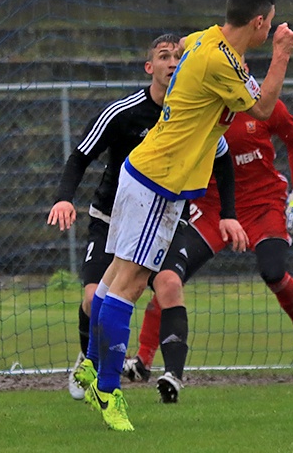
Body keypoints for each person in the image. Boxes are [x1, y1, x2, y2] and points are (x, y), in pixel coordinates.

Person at [73, 0, 293, 432]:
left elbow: (232, 96)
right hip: (161, 182)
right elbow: (261, 107)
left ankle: (91, 367)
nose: (270, 29)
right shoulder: (218, 59)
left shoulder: (203, 40)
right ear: (259, 23)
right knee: (129, 287)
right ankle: (109, 392)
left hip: (146, 171)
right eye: (269, 24)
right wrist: (281, 55)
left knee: (114, 279)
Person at [45, 33, 245, 402]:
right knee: (94, 299)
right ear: (149, 67)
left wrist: (228, 215)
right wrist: (63, 199)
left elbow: (223, 161)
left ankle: (171, 378)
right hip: (112, 220)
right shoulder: (123, 113)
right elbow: (80, 156)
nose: (172, 62)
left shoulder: (194, 113)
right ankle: (92, 361)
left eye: (178, 57)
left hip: (166, 220)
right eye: (164, 56)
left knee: (168, 285)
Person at [122, 98, 293, 400]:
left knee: (273, 273)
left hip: (262, 204)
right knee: (168, 277)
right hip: (213, 208)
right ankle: (143, 361)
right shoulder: (199, 105)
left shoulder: (264, 104)